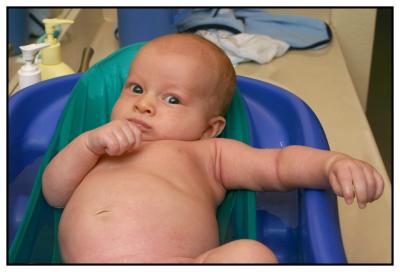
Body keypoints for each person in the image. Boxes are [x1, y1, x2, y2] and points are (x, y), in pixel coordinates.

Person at [42, 33, 384, 263]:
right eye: (135, 88)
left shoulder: (209, 154)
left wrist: (332, 165)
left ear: (210, 128)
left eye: (172, 99)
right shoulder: (101, 146)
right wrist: (87, 144)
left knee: (252, 256)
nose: (143, 105)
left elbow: (278, 164)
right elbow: (54, 194)